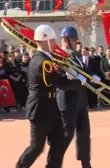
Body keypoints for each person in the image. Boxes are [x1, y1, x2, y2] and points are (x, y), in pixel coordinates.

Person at [16, 24, 86, 168]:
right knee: (36, 147)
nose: (55, 43)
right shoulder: (43, 61)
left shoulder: (44, 58)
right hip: (40, 109)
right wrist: (79, 81)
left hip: (51, 109)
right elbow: (60, 83)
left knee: (59, 141)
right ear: (44, 41)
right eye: (52, 40)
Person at [58, 26, 100, 168]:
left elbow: (83, 68)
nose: (76, 42)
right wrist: (70, 77)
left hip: (80, 100)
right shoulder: (59, 54)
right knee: (66, 135)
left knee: (84, 134)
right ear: (66, 40)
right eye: (74, 40)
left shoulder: (75, 55)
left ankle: (85, 163)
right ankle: (53, 161)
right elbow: (58, 79)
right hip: (67, 101)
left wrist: (92, 75)